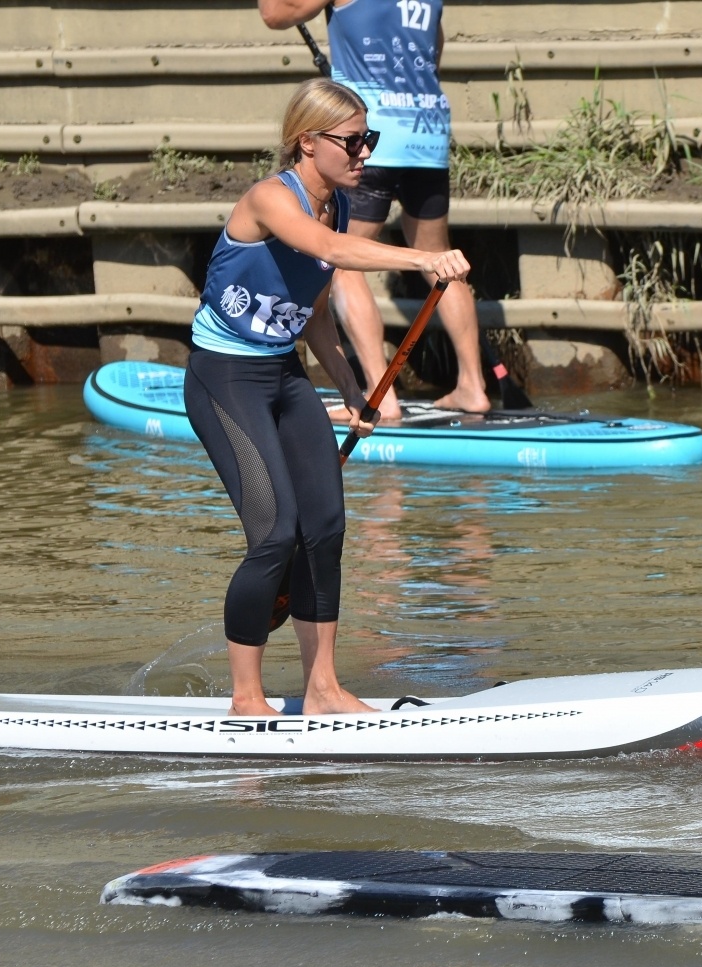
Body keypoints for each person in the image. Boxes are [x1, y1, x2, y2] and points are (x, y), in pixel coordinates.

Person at [186, 78, 471, 717]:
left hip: (286, 378)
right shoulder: (269, 200)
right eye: (353, 141)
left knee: (325, 527)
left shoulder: (334, 204)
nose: (364, 152)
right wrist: (420, 260)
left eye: (369, 139)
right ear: (307, 142)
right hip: (223, 379)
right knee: (274, 534)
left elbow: (313, 315)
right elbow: (331, 253)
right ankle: (246, 698)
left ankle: (322, 689)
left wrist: (354, 392)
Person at [258, 0, 489, 419]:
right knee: (440, 257)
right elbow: (433, 48)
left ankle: (381, 396)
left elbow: (277, 13)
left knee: (344, 263)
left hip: (365, 137)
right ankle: (472, 385)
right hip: (428, 131)